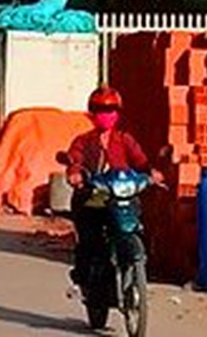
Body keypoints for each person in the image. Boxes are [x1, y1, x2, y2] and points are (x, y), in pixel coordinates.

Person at [65, 85, 154, 290]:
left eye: (110, 110)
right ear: (92, 114)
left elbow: (140, 162)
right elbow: (75, 160)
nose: (106, 115)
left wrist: (151, 173)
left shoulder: (124, 140)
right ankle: (85, 276)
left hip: (121, 197)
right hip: (94, 197)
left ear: (118, 113)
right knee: (90, 238)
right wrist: (75, 174)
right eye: (100, 110)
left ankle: (134, 266)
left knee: (138, 223)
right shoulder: (83, 141)